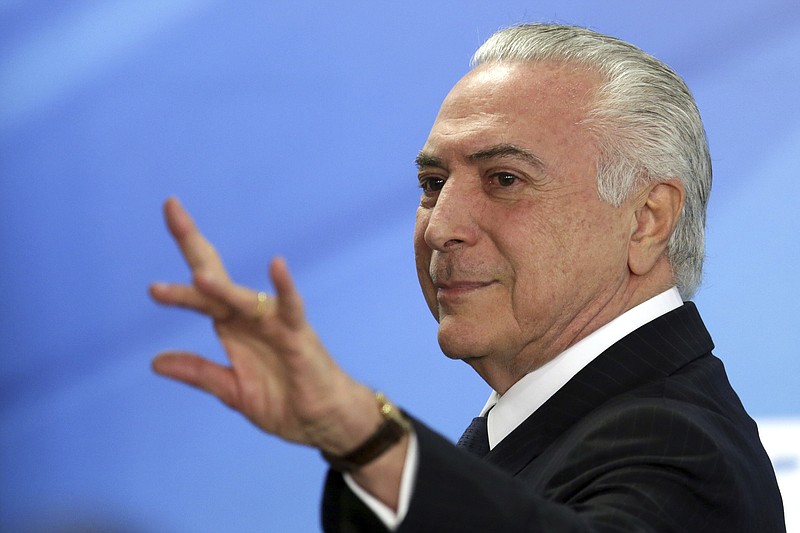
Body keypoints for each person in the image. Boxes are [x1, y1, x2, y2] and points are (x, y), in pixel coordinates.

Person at [150, 23, 785, 531]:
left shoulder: (680, 447)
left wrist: (365, 437)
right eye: (433, 184)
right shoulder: (544, 424)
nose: (440, 226)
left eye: (504, 180)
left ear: (647, 220)